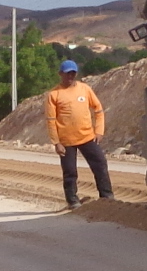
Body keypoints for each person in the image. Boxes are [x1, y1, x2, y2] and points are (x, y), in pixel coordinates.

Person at [44, 59, 113, 208]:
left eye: (73, 73)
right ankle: (72, 200)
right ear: (60, 74)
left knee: (100, 163)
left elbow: (98, 109)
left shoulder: (85, 89)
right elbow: (51, 120)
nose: (70, 76)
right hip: (66, 141)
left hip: (87, 137)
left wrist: (99, 131)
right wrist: (56, 142)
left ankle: (106, 196)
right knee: (70, 171)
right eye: (67, 73)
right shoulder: (54, 95)